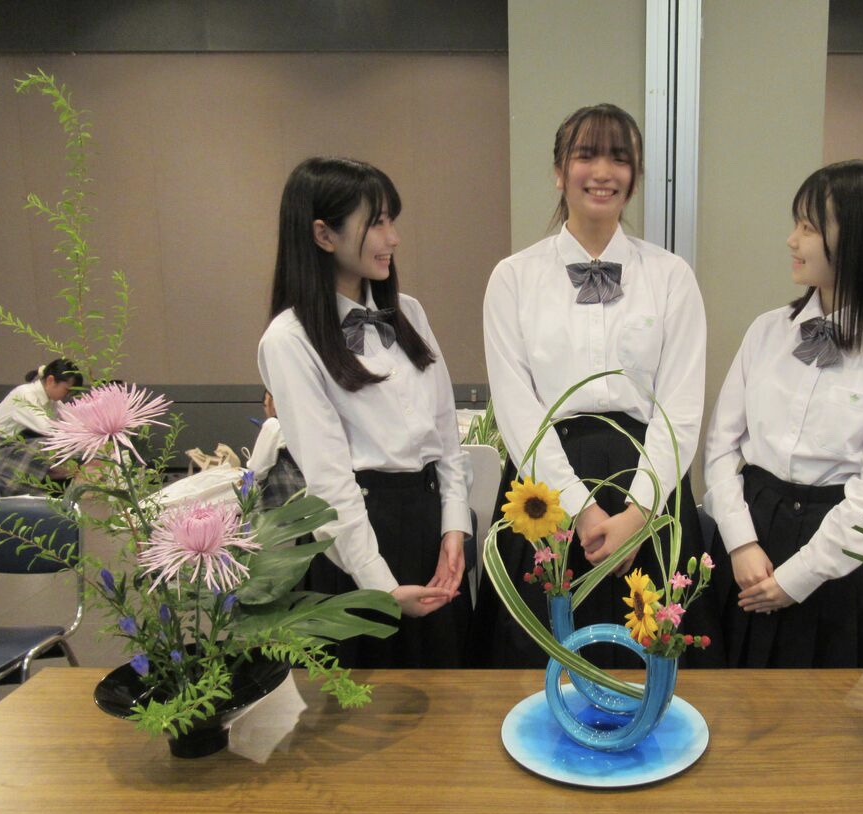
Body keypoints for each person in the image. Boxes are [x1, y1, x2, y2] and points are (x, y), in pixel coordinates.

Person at [474, 103, 721, 669]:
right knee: (541, 663)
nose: (603, 172)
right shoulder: (513, 278)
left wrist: (637, 514)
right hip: (545, 490)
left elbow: (681, 408)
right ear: (559, 171)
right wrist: (579, 510)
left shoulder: (671, 277)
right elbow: (517, 409)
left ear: (635, 176)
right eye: (586, 155)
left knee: (651, 664)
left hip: (648, 486)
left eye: (619, 158)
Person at [704, 159, 863, 670]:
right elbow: (720, 446)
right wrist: (740, 543)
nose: (792, 240)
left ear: (860, 238)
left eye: (808, 227)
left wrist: (798, 577)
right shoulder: (767, 331)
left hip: (838, 562)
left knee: (823, 711)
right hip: (749, 543)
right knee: (727, 698)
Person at [257, 156, 471, 668]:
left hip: (429, 526)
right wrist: (380, 587)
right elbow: (329, 481)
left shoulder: (409, 312)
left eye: (391, 220)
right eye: (376, 223)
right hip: (358, 540)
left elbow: (446, 436)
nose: (393, 238)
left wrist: (454, 526)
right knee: (372, 698)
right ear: (323, 234)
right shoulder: (289, 340)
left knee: (451, 690)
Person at [0, 359, 82, 496]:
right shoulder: (25, 394)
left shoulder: (52, 401)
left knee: (65, 447)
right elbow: (49, 429)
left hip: (13, 446)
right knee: (47, 444)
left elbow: (72, 422)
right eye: (66, 390)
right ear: (50, 380)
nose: (67, 395)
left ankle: (57, 476)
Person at [245, 391, 305, 510]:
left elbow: (256, 470)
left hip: (281, 506)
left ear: (271, 403)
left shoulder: (273, 425)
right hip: (307, 504)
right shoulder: (305, 425)